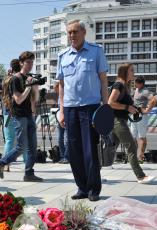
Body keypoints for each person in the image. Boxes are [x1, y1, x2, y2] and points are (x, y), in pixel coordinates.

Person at [57, 19, 109, 202]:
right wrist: (61, 111)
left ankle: (94, 188)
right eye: (69, 32)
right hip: (70, 109)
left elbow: (103, 80)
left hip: (91, 108)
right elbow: (61, 86)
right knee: (73, 151)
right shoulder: (63, 56)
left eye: (75, 32)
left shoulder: (96, 51)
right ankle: (81, 187)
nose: (71, 35)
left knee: (89, 151)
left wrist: (106, 107)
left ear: (84, 33)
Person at [0, 51, 43, 182]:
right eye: (28, 62)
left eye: (32, 62)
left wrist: (34, 88)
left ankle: (29, 173)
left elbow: (34, 99)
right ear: (21, 63)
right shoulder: (15, 79)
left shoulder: (29, 78)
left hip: (29, 115)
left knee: (32, 146)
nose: (30, 64)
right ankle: (1, 162)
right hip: (19, 115)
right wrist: (28, 87)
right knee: (21, 146)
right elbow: (18, 100)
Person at [108, 64, 156, 183]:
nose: (134, 73)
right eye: (132, 70)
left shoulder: (125, 86)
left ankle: (93, 173)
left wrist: (141, 110)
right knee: (131, 146)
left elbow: (130, 106)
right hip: (117, 121)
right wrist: (127, 107)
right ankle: (141, 176)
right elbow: (110, 102)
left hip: (119, 120)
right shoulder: (119, 84)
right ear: (125, 72)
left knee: (109, 149)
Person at [1, 59, 27, 172]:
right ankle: (28, 164)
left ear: (11, 68)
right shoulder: (21, 78)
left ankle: (5, 164)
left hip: (7, 112)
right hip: (20, 112)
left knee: (9, 139)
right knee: (24, 139)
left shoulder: (6, 80)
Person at [130, 75, 156, 162]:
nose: (135, 84)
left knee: (141, 137)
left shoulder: (145, 91)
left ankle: (140, 157)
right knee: (133, 137)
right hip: (134, 114)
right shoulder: (136, 90)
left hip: (141, 115)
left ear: (141, 83)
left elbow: (153, 100)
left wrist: (148, 110)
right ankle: (133, 156)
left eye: (137, 83)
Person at [54, 82, 69, 164]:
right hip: (59, 117)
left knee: (66, 139)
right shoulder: (60, 97)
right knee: (60, 138)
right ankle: (62, 156)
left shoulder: (66, 95)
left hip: (66, 117)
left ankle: (67, 157)